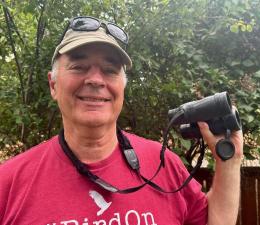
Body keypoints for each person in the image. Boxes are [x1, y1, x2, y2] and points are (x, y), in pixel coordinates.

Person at [0, 16, 243, 225]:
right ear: (53, 84)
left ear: (122, 87)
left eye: (110, 70)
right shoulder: (8, 184)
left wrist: (230, 163)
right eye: (79, 66)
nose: (95, 79)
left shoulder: (164, 165)